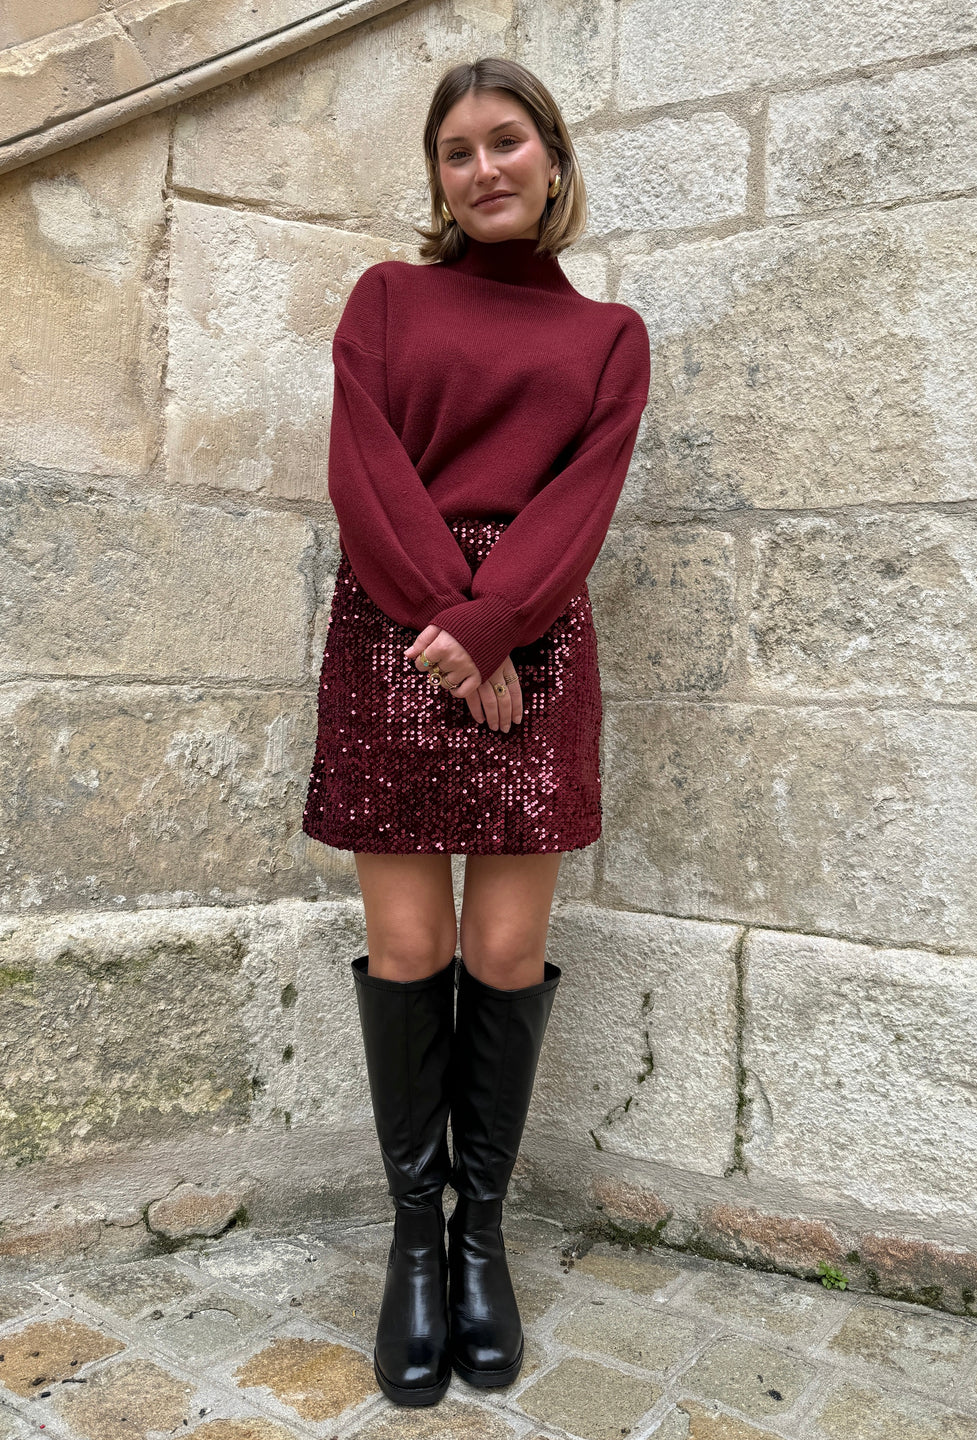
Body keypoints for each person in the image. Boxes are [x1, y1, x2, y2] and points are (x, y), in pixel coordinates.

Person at [301, 55, 651, 1407]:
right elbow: (366, 469)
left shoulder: (609, 336)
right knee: (411, 948)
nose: (484, 167)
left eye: (507, 141)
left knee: (505, 952)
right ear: (438, 178)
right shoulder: (386, 299)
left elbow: (582, 498)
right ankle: (413, 1243)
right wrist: (455, 627)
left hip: (535, 638)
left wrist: (498, 625)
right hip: (395, 633)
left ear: (552, 158)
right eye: (457, 151)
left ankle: (479, 1237)